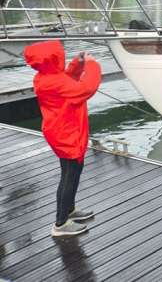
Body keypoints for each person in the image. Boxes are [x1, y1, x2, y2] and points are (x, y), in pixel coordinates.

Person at [24, 41, 102, 237]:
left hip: (61, 131)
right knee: (70, 175)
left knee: (71, 171)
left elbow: (68, 78)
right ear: (53, 59)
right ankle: (60, 223)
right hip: (68, 134)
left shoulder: (46, 77)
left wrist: (78, 63)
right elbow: (86, 88)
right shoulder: (56, 82)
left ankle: (69, 210)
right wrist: (93, 65)